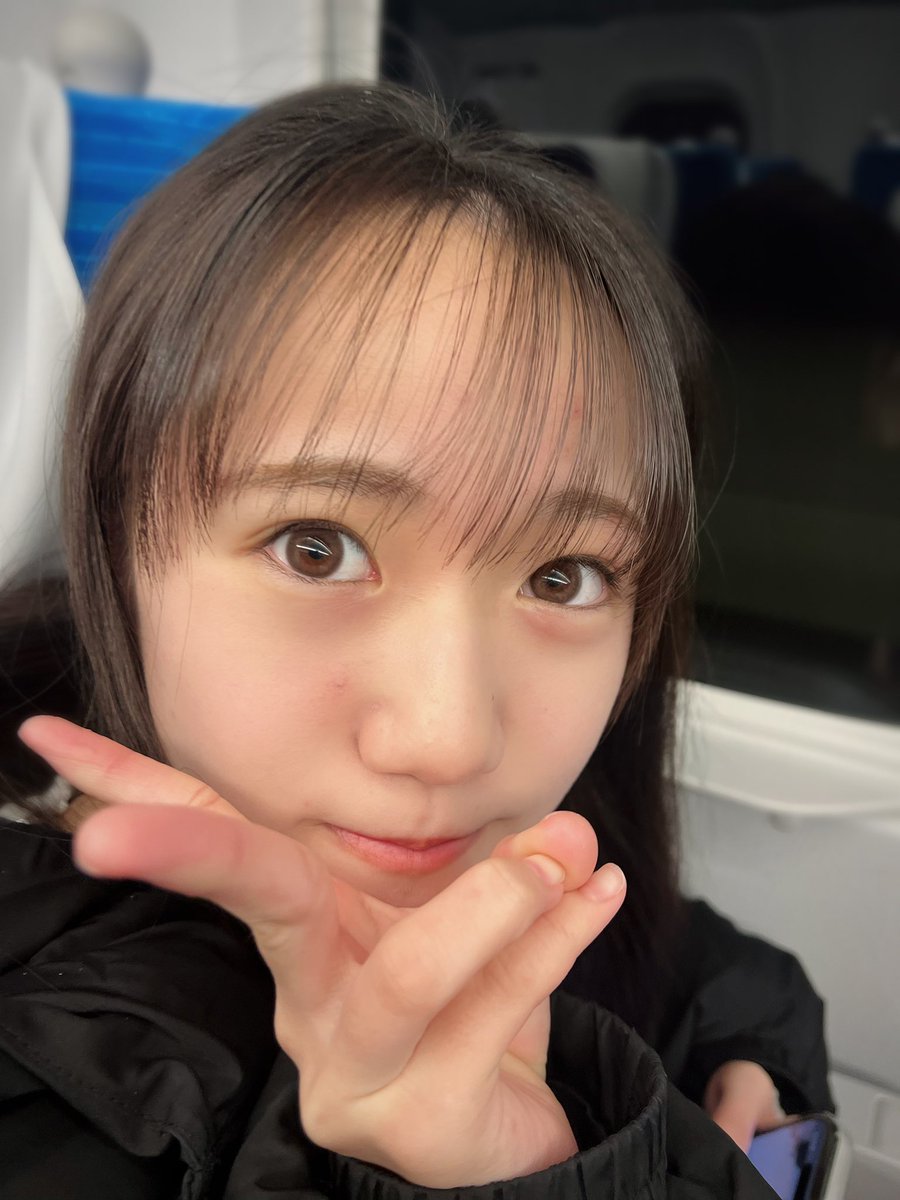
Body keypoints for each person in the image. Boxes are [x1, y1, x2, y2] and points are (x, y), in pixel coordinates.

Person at [0, 83, 832, 1198]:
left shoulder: (557, 882)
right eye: (316, 548)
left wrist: (742, 1057)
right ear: (114, 539)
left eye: (563, 575)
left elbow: (710, 963)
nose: (447, 742)